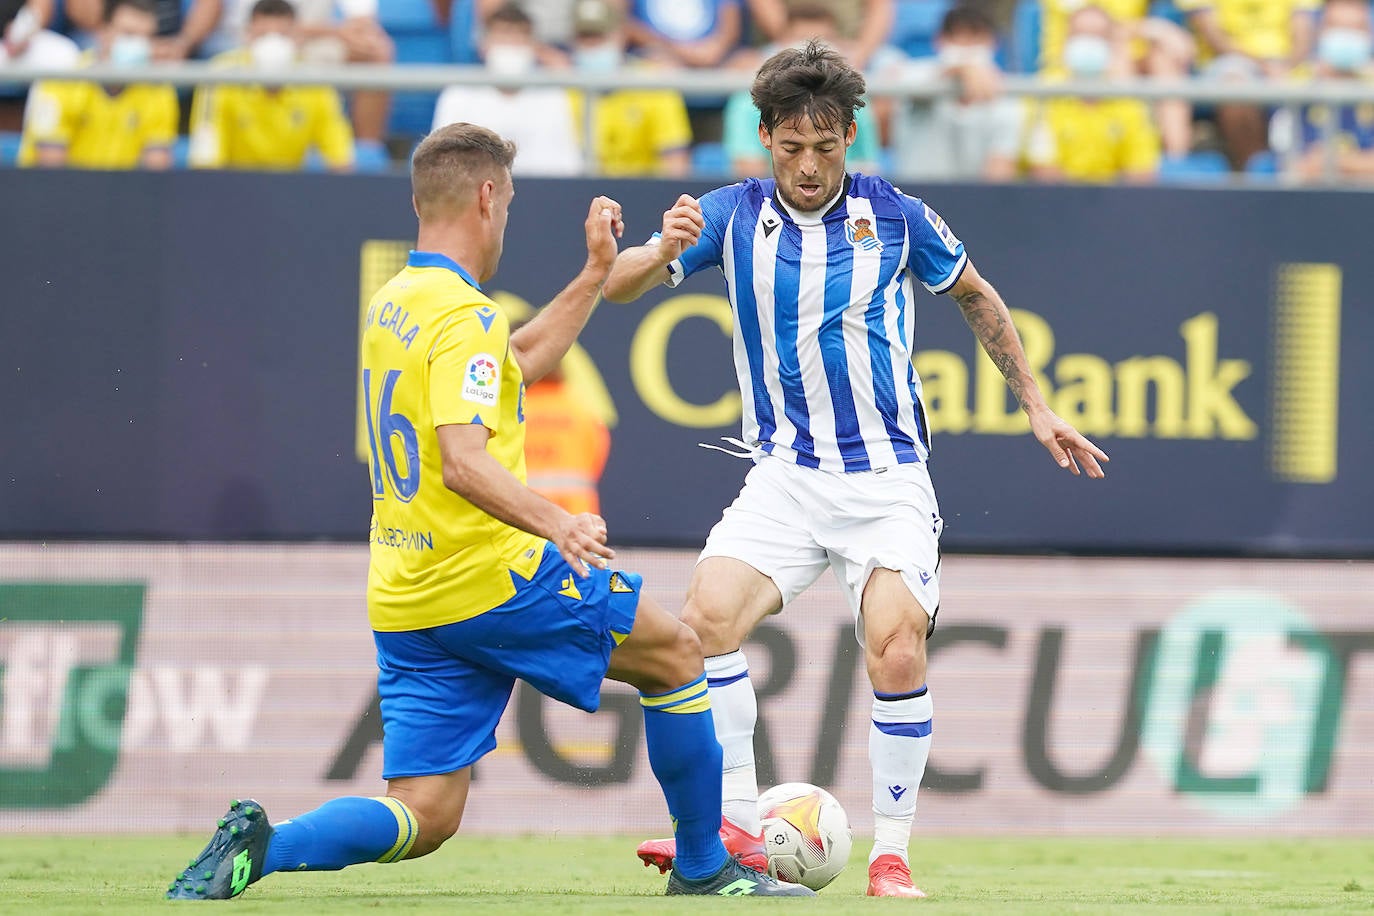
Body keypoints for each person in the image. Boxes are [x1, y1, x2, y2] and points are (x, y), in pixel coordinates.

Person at [164, 122, 814, 901]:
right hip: (492, 578)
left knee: (425, 813)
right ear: (485, 197)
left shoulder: (397, 302)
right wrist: (558, 522)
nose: (504, 220)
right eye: (505, 204)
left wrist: (593, 275)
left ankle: (262, 848)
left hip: (411, 597)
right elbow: (463, 461)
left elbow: (521, 363)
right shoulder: (463, 316)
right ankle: (708, 870)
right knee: (677, 654)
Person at [603, 40, 1108, 898]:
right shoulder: (728, 216)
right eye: (791, 147)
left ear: (851, 137)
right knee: (703, 623)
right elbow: (615, 288)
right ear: (765, 137)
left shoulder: (898, 216)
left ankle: (891, 853)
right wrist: (657, 253)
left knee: (895, 650)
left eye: (825, 147)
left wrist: (1035, 403)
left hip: (886, 482)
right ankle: (735, 823)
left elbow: (976, 294)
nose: (808, 166)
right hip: (784, 478)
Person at [201, 0, 394, 150]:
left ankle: (366, 154)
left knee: (375, 51)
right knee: (265, 52)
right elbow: (261, 24)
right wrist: (332, 31)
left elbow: (363, 22)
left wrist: (354, 34)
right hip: (242, 41)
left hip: (315, 42)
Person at [188, 0, 355, 171]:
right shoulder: (220, 75)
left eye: (282, 35)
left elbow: (339, 157)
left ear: (297, 38)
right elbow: (206, 156)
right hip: (233, 184)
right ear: (247, 35)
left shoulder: (315, 81)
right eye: (262, 35)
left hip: (290, 188)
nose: (272, 44)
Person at [722, 3, 880, 177]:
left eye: (825, 147)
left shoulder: (857, 103)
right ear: (782, 43)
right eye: (791, 148)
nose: (809, 53)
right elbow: (749, 173)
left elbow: (866, 170)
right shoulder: (746, 103)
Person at [17, 0, 176, 169]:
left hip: (124, 192)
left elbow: (156, 175)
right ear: (103, 32)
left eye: (147, 38)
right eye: (129, 34)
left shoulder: (159, 91)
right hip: (60, 191)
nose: (139, 46)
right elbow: (50, 172)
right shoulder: (62, 82)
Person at [432, 2, 581, 176]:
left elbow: (567, 167)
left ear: (534, 47)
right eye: (503, 36)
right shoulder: (458, 94)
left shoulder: (553, 97)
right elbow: (441, 165)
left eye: (519, 37)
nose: (511, 44)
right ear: (483, 44)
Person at [1037, 0, 1194, 160]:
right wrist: (1155, 28)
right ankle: (1131, 143)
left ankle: (1177, 158)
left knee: (1162, 57)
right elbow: (1091, 24)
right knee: (1120, 55)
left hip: (1124, 61)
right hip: (1066, 69)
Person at [1023, 4, 1162, 183]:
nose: (1088, 43)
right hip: (1055, 204)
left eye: (1097, 37)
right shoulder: (1043, 96)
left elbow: (1142, 174)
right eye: (1080, 35)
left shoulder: (1130, 102)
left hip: (1115, 205)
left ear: (1111, 45)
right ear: (1066, 40)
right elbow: (1042, 170)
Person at [1175, 0, 1320, 169]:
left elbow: (1303, 32)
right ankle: (1257, 174)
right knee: (1235, 87)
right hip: (1228, 64)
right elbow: (1214, 36)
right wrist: (1265, 67)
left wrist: (1285, 68)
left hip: (1289, 67)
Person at [889, 4, 1023, 182]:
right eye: (955, 37)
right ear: (938, 41)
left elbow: (1000, 171)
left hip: (970, 201)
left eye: (975, 37)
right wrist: (962, 70)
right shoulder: (913, 74)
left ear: (993, 42)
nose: (965, 46)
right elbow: (902, 88)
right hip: (911, 201)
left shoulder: (1008, 100)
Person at [567, 0, 692, 177]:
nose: (592, 45)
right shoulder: (561, 90)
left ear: (621, 36)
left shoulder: (653, 83)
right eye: (585, 37)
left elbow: (675, 165)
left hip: (645, 192)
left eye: (600, 36)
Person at [1280, 0, 1374, 182]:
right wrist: (1359, 165)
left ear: (1369, 35)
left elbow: (1318, 163)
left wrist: (1334, 161)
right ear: (1320, 31)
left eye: (1356, 28)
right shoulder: (1295, 85)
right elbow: (1298, 167)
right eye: (1338, 27)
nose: (1347, 37)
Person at [523, 362, 612, 515]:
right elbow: (597, 456)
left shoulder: (514, 408)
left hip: (521, 514)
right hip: (576, 517)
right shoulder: (581, 408)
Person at [66, 0, 222, 60]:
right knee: (86, 46)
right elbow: (82, 13)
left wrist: (182, 44)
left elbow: (209, 5)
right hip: (111, 34)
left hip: (173, 42)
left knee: (218, 51)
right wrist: (118, 42)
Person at [627, 0, 742, 69]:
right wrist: (678, 50)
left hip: (719, 60)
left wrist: (711, 52)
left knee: (748, 66)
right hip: (655, 56)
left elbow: (729, 31)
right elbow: (623, 22)